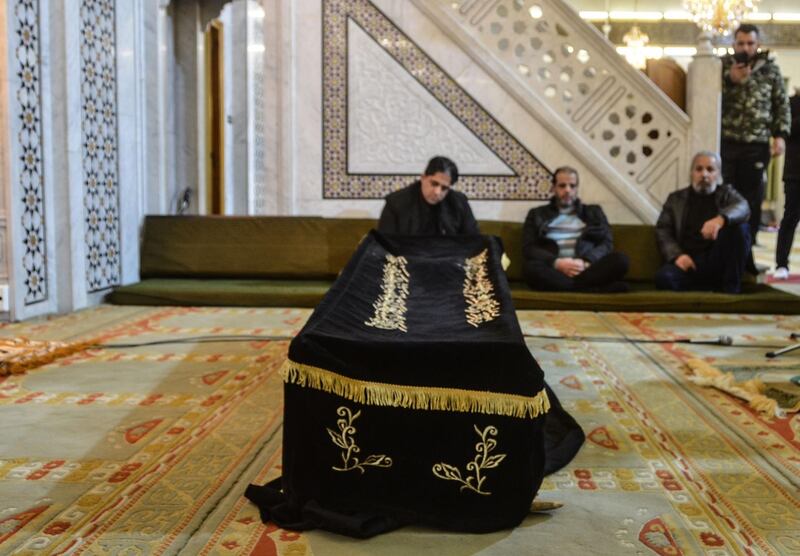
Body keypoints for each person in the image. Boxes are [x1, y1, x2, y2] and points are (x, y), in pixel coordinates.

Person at [721, 24, 791, 263]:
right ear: (733, 45)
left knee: (752, 201)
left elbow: (781, 106)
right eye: (741, 43)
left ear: (757, 44)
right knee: (725, 199)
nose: (746, 48)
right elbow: (706, 94)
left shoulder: (770, 70)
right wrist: (731, 79)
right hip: (726, 143)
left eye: (750, 43)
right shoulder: (721, 67)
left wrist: (780, 135)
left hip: (757, 145)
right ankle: (725, 253)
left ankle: (746, 255)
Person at [655, 151, 751, 294]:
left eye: (710, 169)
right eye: (699, 169)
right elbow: (663, 230)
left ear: (718, 174)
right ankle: (706, 286)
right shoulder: (675, 199)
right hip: (688, 262)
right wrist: (677, 255)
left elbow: (743, 207)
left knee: (741, 228)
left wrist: (721, 220)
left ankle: (730, 289)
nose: (704, 174)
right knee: (664, 278)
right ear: (691, 173)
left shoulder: (726, 193)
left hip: (717, 260)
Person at [522, 166, 629, 292]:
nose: (567, 190)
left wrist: (585, 262)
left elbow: (607, 243)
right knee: (530, 269)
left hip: (587, 269)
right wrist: (557, 263)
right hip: (554, 270)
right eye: (562, 186)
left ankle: (572, 287)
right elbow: (529, 248)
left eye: (572, 186)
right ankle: (594, 289)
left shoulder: (594, 212)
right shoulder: (537, 214)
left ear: (577, 189)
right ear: (553, 188)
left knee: (621, 260)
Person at [378, 156, 479, 235]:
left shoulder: (459, 203)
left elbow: (472, 240)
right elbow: (385, 244)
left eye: (444, 188)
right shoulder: (396, 203)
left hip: (448, 259)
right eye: (434, 184)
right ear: (423, 178)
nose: (437, 192)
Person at [774, 89, 800, 279]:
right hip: (795, 172)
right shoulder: (791, 103)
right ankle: (782, 264)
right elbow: (787, 130)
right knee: (790, 218)